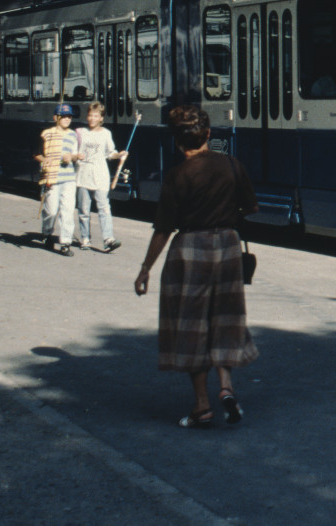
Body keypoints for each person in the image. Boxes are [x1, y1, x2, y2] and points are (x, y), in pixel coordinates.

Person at [135, 105, 257, 429]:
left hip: (190, 249)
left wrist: (145, 267)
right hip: (228, 246)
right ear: (208, 134)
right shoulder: (232, 164)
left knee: (191, 325)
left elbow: (163, 229)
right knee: (224, 317)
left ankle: (202, 405)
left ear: (177, 141)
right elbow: (250, 206)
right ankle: (227, 387)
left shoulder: (178, 176)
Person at [74, 102, 125, 252]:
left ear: (101, 118)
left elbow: (110, 153)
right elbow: (74, 151)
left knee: (104, 208)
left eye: (95, 116)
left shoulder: (106, 133)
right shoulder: (80, 132)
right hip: (83, 174)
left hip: (100, 174)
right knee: (84, 209)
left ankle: (108, 238)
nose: (92, 118)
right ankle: (85, 238)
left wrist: (119, 154)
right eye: (90, 115)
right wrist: (77, 156)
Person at [35, 103, 82, 256]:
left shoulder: (73, 135)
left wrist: (73, 157)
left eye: (70, 116)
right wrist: (44, 160)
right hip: (52, 177)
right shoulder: (47, 134)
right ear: (56, 117)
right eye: (64, 116)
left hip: (68, 178)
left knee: (67, 211)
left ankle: (65, 243)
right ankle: (47, 233)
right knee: (51, 210)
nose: (67, 119)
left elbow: (75, 155)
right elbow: (37, 153)